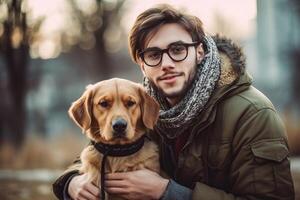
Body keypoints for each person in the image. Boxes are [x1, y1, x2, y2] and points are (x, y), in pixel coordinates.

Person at [53, 4, 295, 200]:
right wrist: (71, 181)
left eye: (178, 49)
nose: (166, 63)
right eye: (154, 54)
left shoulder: (253, 114)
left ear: (199, 52)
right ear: (142, 64)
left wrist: (168, 192)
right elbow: (101, 151)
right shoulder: (145, 107)